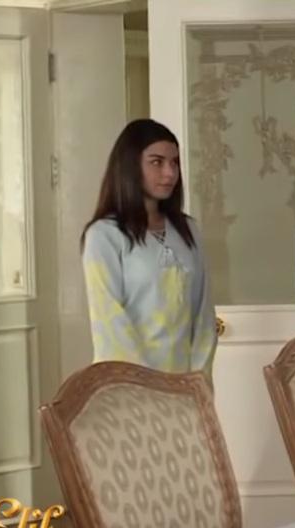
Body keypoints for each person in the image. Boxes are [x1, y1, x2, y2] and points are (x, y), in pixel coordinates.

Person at [81, 119, 217, 374]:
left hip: (186, 384)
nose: (170, 173)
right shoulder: (104, 236)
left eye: (174, 162)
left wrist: (197, 380)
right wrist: (146, 386)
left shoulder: (188, 230)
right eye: (157, 162)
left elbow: (204, 316)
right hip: (127, 383)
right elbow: (109, 322)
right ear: (130, 166)